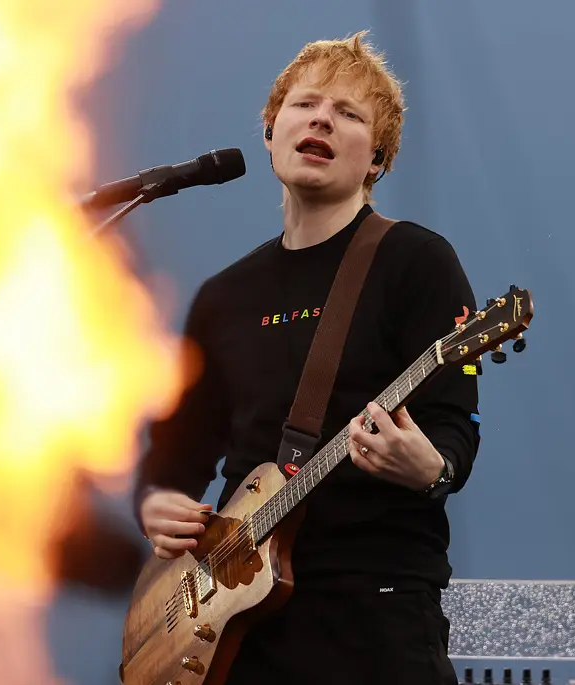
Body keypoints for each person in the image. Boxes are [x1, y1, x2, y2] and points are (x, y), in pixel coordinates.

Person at [132, 30, 481, 685]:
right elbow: (172, 459)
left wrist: (429, 466)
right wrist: (155, 503)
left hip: (373, 624)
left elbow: (456, 427)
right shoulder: (223, 297)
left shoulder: (416, 262)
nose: (322, 117)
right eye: (305, 105)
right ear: (270, 133)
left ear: (376, 159)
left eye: (348, 113)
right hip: (238, 634)